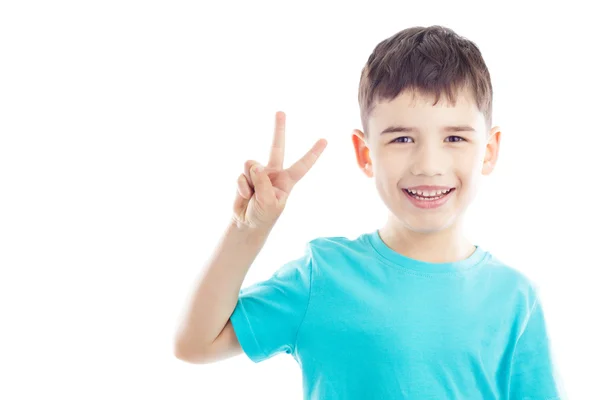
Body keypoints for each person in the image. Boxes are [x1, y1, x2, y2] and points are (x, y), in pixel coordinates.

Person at [174, 25, 565, 399]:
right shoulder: (323, 274)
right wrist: (248, 230)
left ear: (490, 150)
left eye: (454, 137)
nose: (429, 164)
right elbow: (195, 343)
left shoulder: (516, 299)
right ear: (365, 154)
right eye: (402, 138)